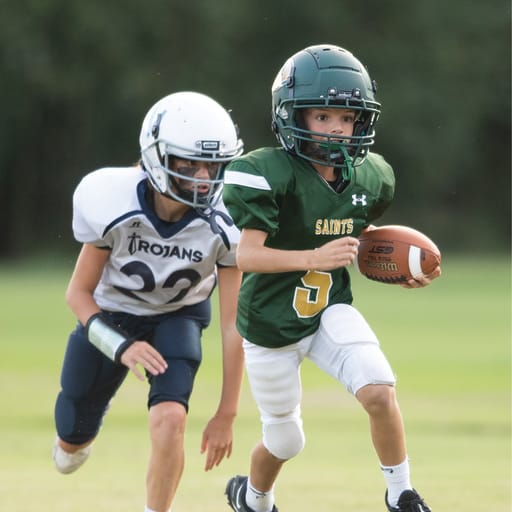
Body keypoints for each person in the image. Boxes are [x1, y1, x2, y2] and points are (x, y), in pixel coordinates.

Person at [222, 44, 440, 512]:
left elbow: (360, 237)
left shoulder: (370, 176)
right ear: (293, 116)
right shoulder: (267, 172)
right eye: (322, 116)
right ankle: (253, 497)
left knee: (379, 389)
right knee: (285, 440)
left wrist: (397, 266)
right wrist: (313, 256)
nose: (337, 128)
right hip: (270, 326)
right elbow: (248, 256)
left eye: (346, 117)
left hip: (327, 309)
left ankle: (401, 493)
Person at [52, 91, 246, 512]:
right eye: (187, 164)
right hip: (110, 316)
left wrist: (226, 412)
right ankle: (81, 431)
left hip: (178, 318)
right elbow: (77, 295)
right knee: (70, 443)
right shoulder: (112, 199)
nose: (202, 177)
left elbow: (235, 325)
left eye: (211, 165)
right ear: (158, 158)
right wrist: (120, 346)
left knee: (171, 418)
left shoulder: (231, 218)